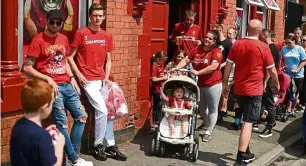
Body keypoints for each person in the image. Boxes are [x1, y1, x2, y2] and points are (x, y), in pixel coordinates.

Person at [22, 9, 92, 166]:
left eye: (58, 23)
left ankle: (70, 157)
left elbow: (65, 61)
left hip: (67, 84)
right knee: (62, 125)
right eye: (52, 22)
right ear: (47, 21)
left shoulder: (64, 39)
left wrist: (73, 77)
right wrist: (48, 78)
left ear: (62, 24)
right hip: (52, 88)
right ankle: (74, 159)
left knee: (82, 117)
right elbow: (26, 67)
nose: (55, 25)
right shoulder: (38, 40)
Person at [67, 3, 127, 161]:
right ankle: (97, 145)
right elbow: (69, 57)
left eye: (100, 15)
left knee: (109, 113)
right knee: (103, 111)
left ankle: (111, 146)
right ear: (90, 16)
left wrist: (106, 77)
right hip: (88, 80)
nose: (98, 18)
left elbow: (109, 60)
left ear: (104, 17)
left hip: (102, 80)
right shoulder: (81, 33)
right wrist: (78, 75)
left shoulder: (106, 35)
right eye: (95, 15)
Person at [223, 19, 279, 166]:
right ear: (260, 32)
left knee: (243, 120)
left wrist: (225, 84)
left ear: (247, 29)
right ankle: (240, 159)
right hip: (254, 90)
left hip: (239, 89)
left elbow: (228, 65)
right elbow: (272, 69)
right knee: (248, 122)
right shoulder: (263, 47)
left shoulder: (237, 44)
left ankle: (246, 152)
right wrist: (276, 83)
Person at [174, 30, 223, 142]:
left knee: (212, 108)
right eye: (206, 37)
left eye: (210, 38)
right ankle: (206, 124)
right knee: (201, 108)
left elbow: (213, 66)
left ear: (215, 41)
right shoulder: (197, 49)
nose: (207, 39)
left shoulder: (216, 51)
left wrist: (198, 72)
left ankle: (209, 131)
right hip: (200, 84)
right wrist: (176, 68)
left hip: (213, 84)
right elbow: (186, 59)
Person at [10, 79, 65, 166]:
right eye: (51, 103)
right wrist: (59, 146)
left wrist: (43, 132)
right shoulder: (41, 137)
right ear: (45, 107)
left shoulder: (18, 125)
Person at [258, 29, 281, 138]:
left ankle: (270, 127)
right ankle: (262, 120)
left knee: (269, 103)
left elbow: (269, 68)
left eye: (260, 36)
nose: (259, 38)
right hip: (268, 79)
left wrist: (265, 82)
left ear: (265, 36)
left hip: (269, 79)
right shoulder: (273, 47)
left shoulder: (271, 48)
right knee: (264, 102)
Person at [280, 35, 306, 117]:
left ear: (294, 41)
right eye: (286, 42)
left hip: (298, 75)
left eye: (289, 42)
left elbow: (304, 61)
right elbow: (281, 59)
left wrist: (297, 70)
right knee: (288, 91)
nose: (287, 44)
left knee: (296, 92)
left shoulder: (299, 49)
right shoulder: (284, 48)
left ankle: (292, 109)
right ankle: (288, 108)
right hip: (287, 74)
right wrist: (283, 66)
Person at [214, 24, 233, 122]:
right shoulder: (215, 43)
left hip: (224, 70)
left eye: (216, 32)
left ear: (220, 31)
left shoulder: (228, 43)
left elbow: (231, 59)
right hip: (215, 70)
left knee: (223, 91)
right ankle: (217, 111)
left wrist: (221, 65)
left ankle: (221, 111)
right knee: (216, 91)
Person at [150, 51, 168, 127]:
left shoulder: (161, 64)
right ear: (157, 59)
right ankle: (155, 121)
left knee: (161, 105)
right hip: (157, 89)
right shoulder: (154, 67)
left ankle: (159, 119)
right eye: (162, 60)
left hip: (162, 88)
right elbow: (153, 79)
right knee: (157, 105)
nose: (163, 62)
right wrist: (163, 78)